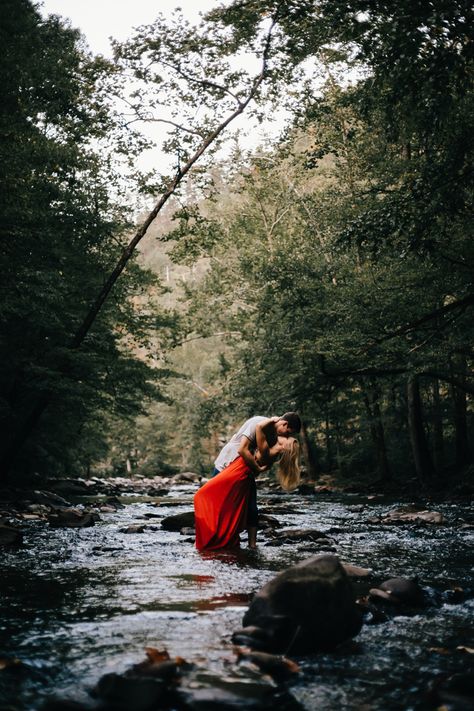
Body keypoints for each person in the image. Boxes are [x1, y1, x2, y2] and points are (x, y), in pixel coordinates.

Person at [194, 416, 301, 552]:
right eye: (288, 433)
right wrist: (257, 468)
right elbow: (242, 449)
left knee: (238, 505)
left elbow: (259, 455)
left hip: (241, 469)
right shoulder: (260, 424)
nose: (287, 436)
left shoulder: (270, 437)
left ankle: (243, 543)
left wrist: (256, 468)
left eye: (289, 437)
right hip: (229, 463)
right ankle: (238, 541)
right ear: (285, 424)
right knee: (225, 502)